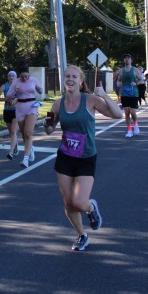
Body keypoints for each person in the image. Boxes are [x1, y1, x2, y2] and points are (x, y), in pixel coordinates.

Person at [43, 65, 122, 251]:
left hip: (86, 157)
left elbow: (117, 114)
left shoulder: (90, 100)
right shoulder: (57, 104)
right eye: (67, 76)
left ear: (80, 81)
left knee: (79, 202)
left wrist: (104, 95)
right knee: (68, 202)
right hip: (65, 156)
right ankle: (82, 235)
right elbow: (49, 130)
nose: (70, 79)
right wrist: (46, 124)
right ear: (64, 80)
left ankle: (91, 208)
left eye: (74, 76)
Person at [5, 65, 44, 168]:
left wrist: (40, 89)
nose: (25, 79)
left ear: (28, 75)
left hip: (32, 107)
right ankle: (30, 148)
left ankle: (25, 159)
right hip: (20, 108)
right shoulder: (16, 82)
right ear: (19, 76)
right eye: (22, 77)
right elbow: (8, 97)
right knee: (23, 134)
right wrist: (15, 90)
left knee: (28, 133)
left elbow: (40, 89)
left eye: (26, 76)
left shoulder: (33, 80)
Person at [114, 54, 143, 137]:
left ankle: (135, 124)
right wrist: (119, 84)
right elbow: (118, 81)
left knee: (133, 112)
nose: (127, 59)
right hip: (124, 93)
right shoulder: (121, 71)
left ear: (131, 60)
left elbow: (141, 80)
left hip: (134, 93)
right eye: (125, 58)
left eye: (128, 58)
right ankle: (129, 130)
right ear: (124, 60)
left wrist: (136, 83)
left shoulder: (135, 70)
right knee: (126, 112)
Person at [0, 70, 20, 159]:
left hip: (17, 111)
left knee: (13, 131)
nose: (11, 77)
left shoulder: (18, 85)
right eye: (10, 76)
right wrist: (7, 100)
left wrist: (16, 100)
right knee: (10, 132)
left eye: (13, 76)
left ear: (16, 77)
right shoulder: (4, 86)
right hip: (7, 110)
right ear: (7, 77)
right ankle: (15, 144)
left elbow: (22, 96)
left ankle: (11, 152)